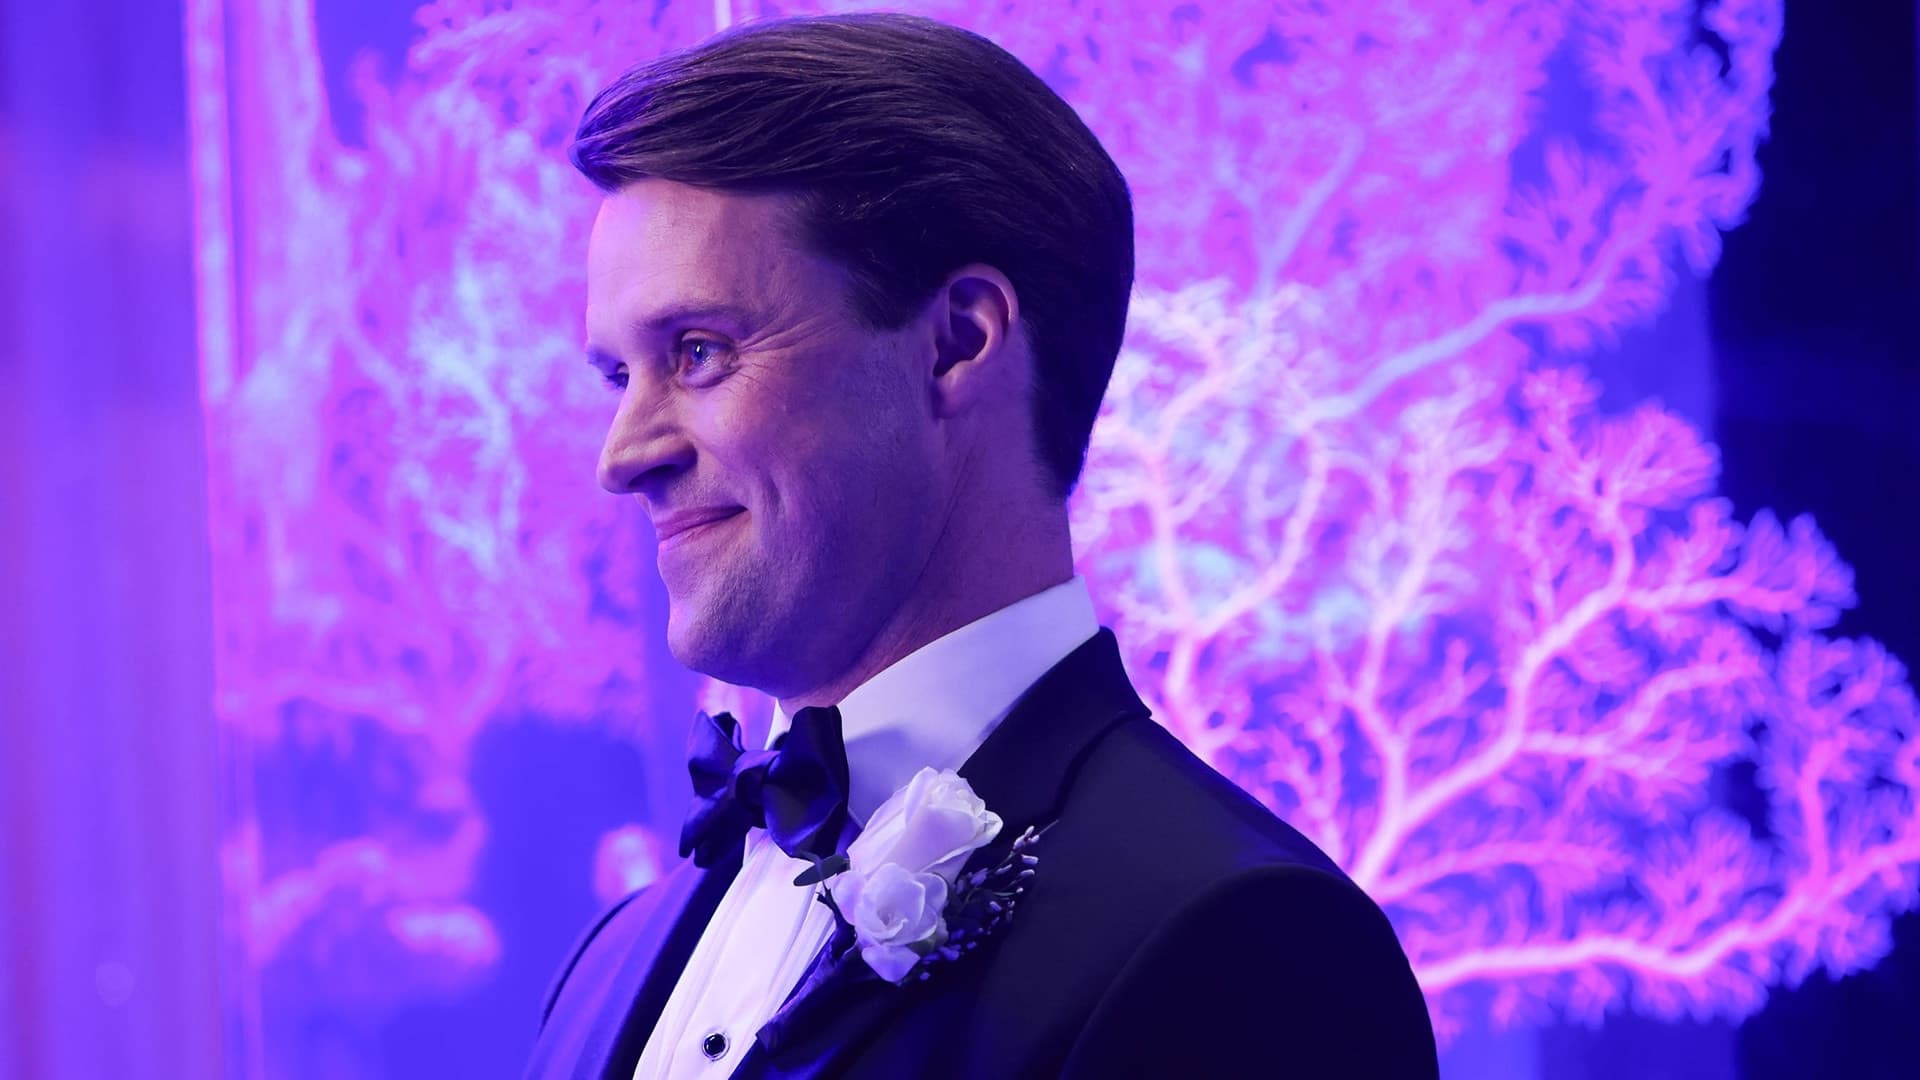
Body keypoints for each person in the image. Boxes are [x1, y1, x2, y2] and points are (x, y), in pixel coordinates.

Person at [527, 12, 1437, 1079]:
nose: (623, 455)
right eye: (617, 376)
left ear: (958, 341)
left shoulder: (1250, 944)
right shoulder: (609, 961)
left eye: (697, 352)